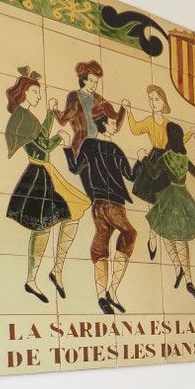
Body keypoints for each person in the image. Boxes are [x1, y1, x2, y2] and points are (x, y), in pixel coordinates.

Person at [2, 67, 89, 303]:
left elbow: (40, 137)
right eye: (35, 92)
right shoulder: (21, 118)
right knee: (44, 226)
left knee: (70, 212)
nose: (38, 97)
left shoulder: (26, 116)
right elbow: (41, 148)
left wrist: (50, 113)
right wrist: (60, 137)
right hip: (38, 174)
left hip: (44, 172)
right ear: (24, 93)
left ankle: (55, 270)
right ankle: (36, 277)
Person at [63, 105, 138, 314]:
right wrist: (142, 161)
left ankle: (101, 296)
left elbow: (75, 168)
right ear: (103, 123)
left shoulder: (91, 146)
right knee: (130, 233)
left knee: (101, 244)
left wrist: (68, 149)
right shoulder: (111, 149)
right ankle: (112, 290)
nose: (115, 125)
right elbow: (131, 175)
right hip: (113, 204)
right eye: (113, 122)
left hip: (98, 206)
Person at [142, 121, 195, 302]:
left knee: (166, 234)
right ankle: (187, 278)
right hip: (183, 196)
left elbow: (154, 173)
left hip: (169, 196)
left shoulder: (166, 157)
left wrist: (145, 159)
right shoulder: (185, 159)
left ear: (170, 137)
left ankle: (179, 268)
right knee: (180, 238)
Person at [121, 85, 179, 258]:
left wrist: (191, 134)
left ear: (164, 102)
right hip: (153, 158)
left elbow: (179, 140)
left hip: (166, 161)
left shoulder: (169, 125)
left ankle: (158, 235)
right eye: (151, 99)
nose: (153, 103)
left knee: (164, 202)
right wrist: (129, 111)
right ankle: (153, 236)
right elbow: (135, 129)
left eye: (157, 99)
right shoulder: (149, 120)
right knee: (151, 201)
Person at [53, 60, 125, 156]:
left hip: (99, 146)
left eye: (96, 82)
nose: (94, 85)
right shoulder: (74, 97)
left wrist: (123, 109)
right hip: (81, 147)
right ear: (84, 80)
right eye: (91, 81)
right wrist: (54, 109)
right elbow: (63, 120)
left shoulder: (99, 99)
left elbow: (113, 124)